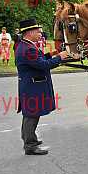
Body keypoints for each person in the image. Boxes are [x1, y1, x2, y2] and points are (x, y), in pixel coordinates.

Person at [15, 18, 69, 155]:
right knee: (31, 115)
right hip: (33, 87)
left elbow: (38, 59)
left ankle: (29, 138)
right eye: (38, 31)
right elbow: (43, 65)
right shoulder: (28, 49)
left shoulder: (26, 45)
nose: (41, 34)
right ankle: (30, 146)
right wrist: (60, 57)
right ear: (29, 32)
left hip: (30, 85)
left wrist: (52, 54)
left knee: (30, 114)